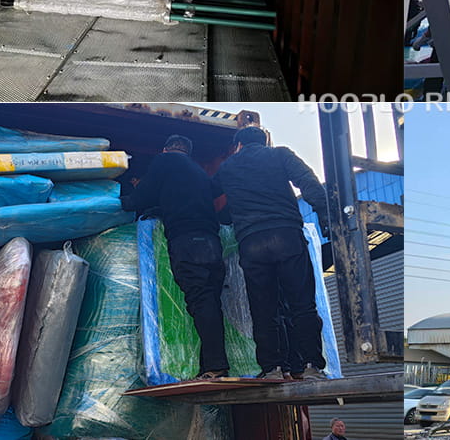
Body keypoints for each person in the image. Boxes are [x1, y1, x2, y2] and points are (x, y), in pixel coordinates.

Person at [214, 126, 332, 380]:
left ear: (239, 145)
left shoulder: (228, 167)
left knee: (263, 309)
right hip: (286, 236)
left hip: (252, 243)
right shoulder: (280, 155)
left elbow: (210, 196)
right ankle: (311, 364)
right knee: (302, 304)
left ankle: (271, 369)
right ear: (264, 141)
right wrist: (324, 215)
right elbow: (308, 182)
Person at [121, 134, 228, 379]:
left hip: (188, 242)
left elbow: (142, 197)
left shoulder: (165, 161)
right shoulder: (200, 173)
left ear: (167, 149)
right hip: (212, 242)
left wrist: (120, 201)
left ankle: (215, 367)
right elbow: (204, 193)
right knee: (210, 302)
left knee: (200, 301)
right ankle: (210, 366)